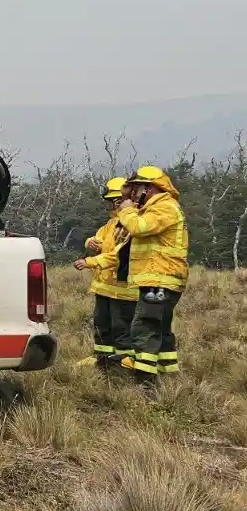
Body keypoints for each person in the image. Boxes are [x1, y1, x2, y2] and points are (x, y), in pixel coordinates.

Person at [115, 165, 188, 391]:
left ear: (151, 188)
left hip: (160, 279)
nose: (134, 193)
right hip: (160, 280)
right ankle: (168, 378)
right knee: (160, 328)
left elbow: (139, 227)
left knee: (144, 327)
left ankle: (145, 385)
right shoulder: (152, 208)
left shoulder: (165, 207)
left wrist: (126, 210)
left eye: (138, 188)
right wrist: (127, 198)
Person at [73, 177, 137, 370]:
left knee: (122, 328)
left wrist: (89, 262)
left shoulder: (130, 224)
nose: (109, 205)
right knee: (102, 325)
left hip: (123, 288)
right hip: (105, 287)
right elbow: (98, 238)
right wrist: (90, 242)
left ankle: (123, 363)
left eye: (113, 201)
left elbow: (116, 256)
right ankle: (102, 358)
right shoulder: (111, 223)